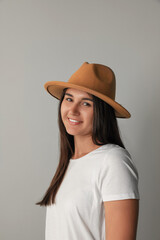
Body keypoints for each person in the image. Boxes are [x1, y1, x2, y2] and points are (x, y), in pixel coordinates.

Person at [36, 62, 140, 240]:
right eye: (69, 99)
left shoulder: (113, 161)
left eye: (85, 103)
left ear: (102, 112)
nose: (73, 110)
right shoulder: (70, 162)